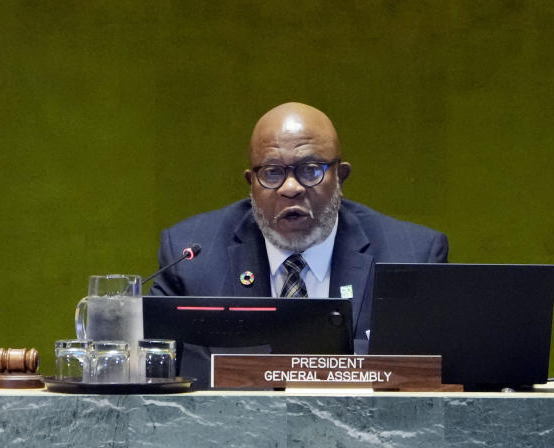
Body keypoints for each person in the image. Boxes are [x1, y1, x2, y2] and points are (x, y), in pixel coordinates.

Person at [151, 102, 448, 353]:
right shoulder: (191, 260)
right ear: (251, 184)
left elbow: (430, 379)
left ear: (340, 178)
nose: (291, 188)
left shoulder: (411, 256)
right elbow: (153, 370)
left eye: (310, 170)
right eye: (272, 173)